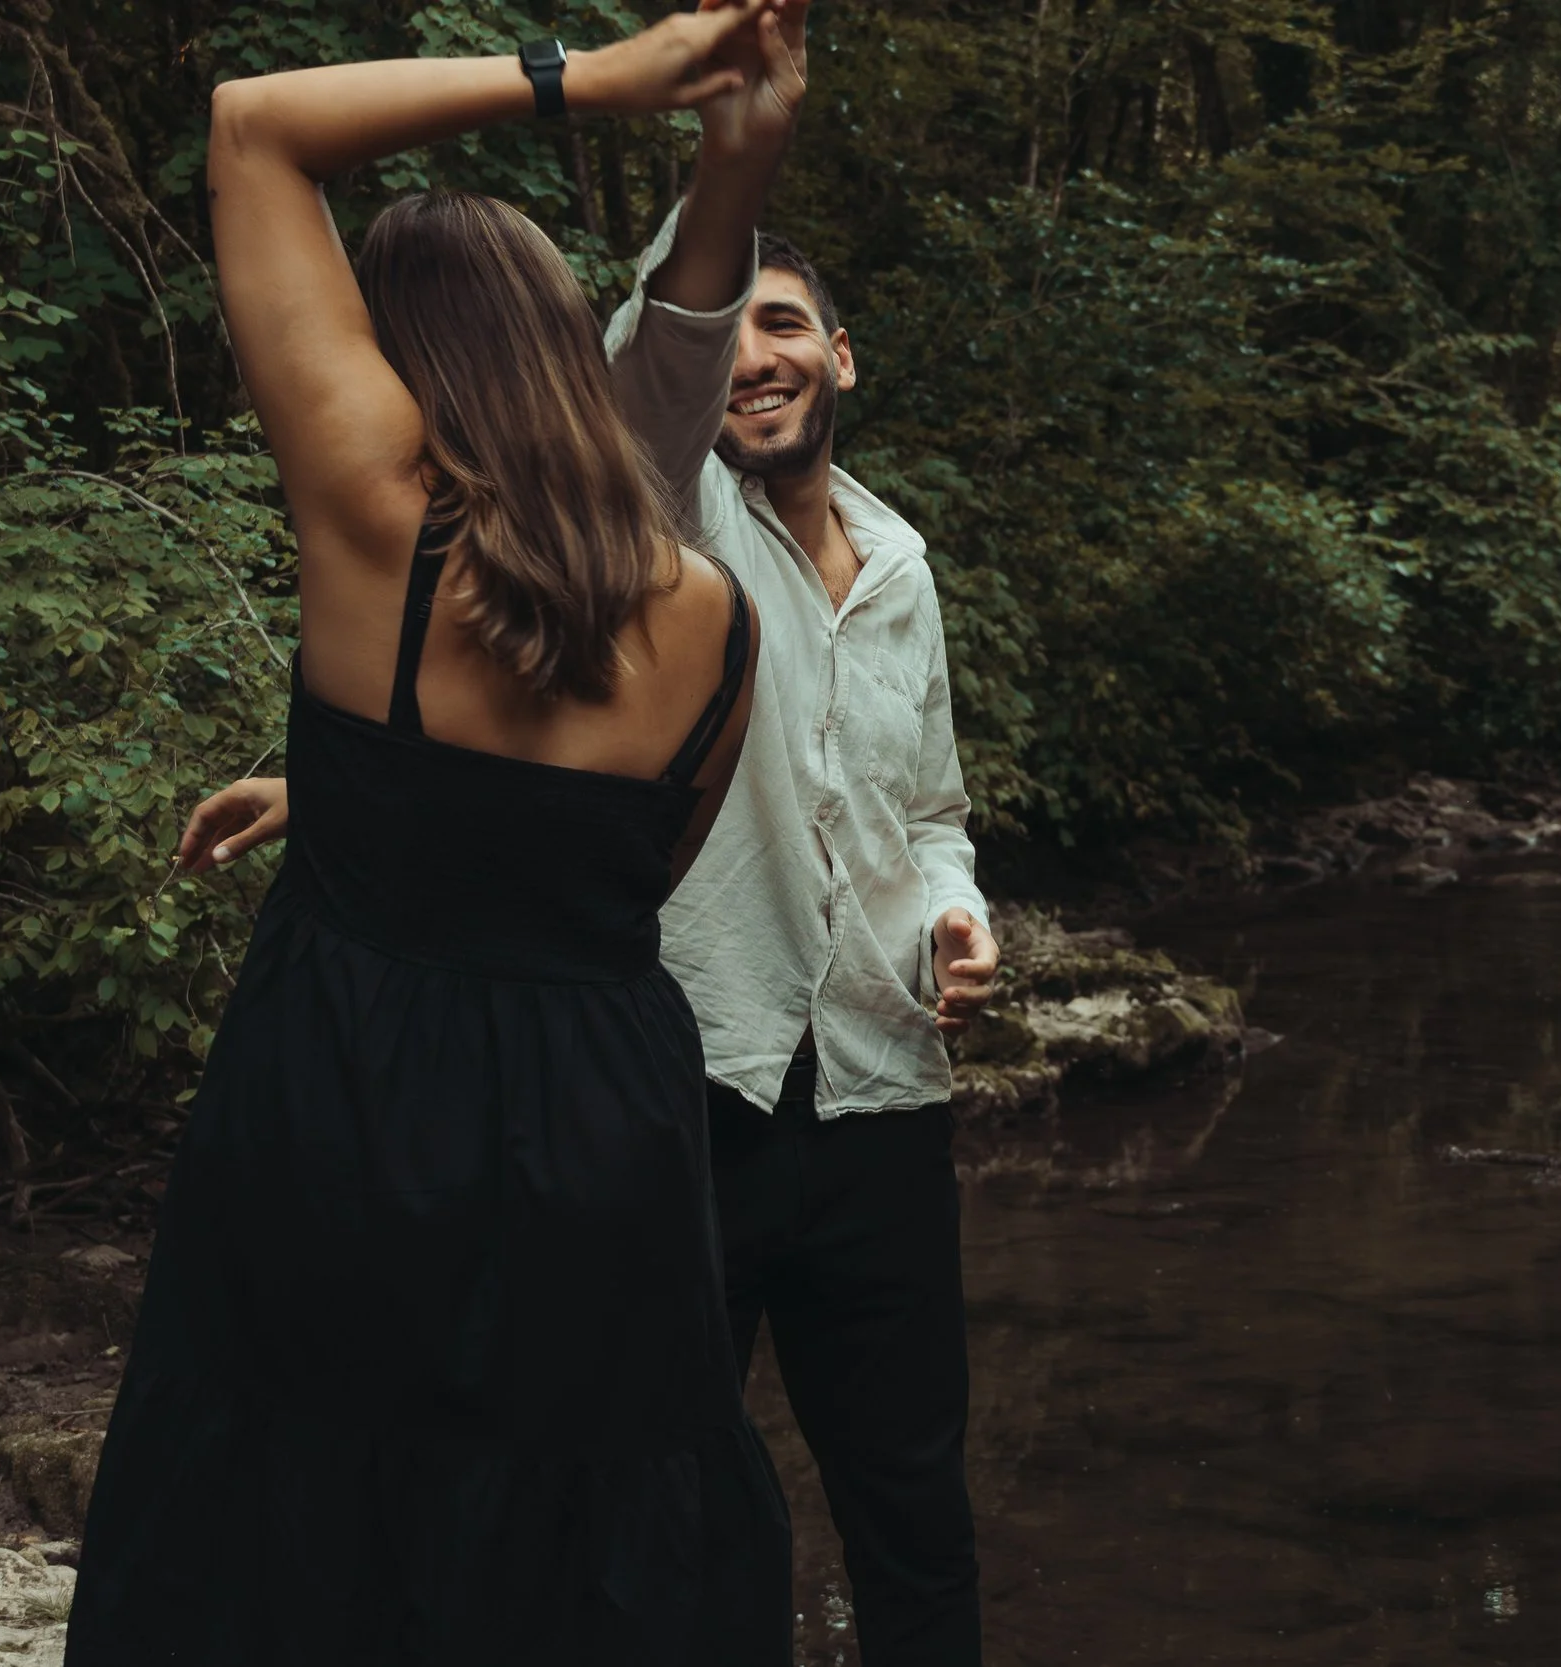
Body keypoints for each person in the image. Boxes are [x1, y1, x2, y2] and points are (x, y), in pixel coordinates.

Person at [185, 71, 1003, 1666]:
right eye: (730, 330)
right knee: (631, 1488)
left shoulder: (904, 567)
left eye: (794, 329)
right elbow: (625, 806)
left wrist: (959, 913)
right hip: (693, 1070)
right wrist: (347, 787)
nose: (752, 356)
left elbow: (927, 809)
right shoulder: (690, 546)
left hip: (880, 1085)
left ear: (845, 358)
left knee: (903, 1500)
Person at [68, 8, 804, 1662]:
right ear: (559, 340)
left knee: (302, 1516)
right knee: (579, 1537)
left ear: (390, 356)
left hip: (345, 1088)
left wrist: (585, 78)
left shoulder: (377, 521)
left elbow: (257, 125)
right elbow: (609, 881)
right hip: (602, 1127)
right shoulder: (714, 620)